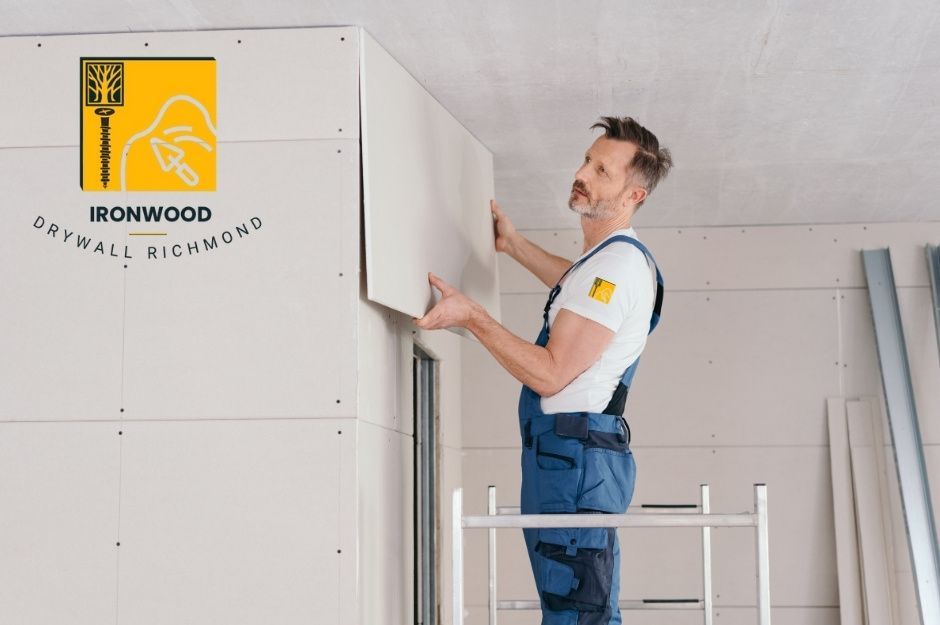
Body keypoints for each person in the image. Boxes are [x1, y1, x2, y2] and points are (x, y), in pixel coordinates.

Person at [413, 116, 672, 625]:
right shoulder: (608, 263)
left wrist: (472, 316)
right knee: (577, 605)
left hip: (573, 461)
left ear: (634, 195)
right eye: (587, 160)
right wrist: (513, 244)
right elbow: (576, 288)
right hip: (572, 456)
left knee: (577, 611)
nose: (582, 173)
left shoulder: (615, 268)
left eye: (602, 171)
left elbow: (551, 374)